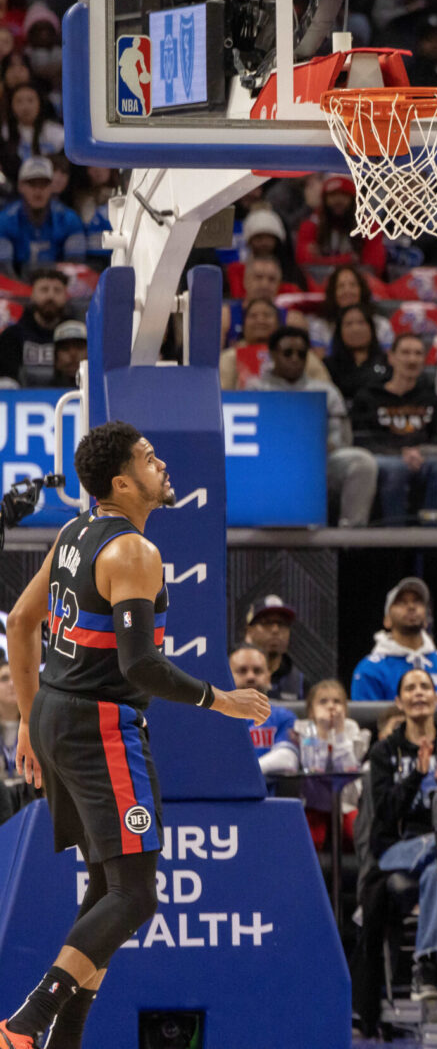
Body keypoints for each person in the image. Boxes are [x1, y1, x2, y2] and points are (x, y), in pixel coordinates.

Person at [0, 422, 269, 1049]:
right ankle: (23, 1025)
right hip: (100, 723)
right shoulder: (133, 552)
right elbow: (140, 666)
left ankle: (60, 1042)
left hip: (59, 713)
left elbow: (19, 622)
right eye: (149, 458)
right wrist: (219, 700)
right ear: (122, 483)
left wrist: (30, 724)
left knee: (106, 889)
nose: (162, 464)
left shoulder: (72, 533)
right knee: (136, 896)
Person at [364, 667, 437, 1003]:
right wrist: (418, 775)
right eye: (410, 688)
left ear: (436, 697)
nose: (418, 693)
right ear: (399, 701)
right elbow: (384, 814)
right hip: (397, 847)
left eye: (425, 686)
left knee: (435, 876)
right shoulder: (385, 752)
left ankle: (426, 967)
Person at [259, 324, 378, 528]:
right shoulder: (255, 389)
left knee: (362, 462)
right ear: (272, 354)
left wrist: (328, 445)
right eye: (287, 353)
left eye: (301, 353)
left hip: (321, 461)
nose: (295, 358)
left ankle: (349, 538)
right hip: (268, 464)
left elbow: (341, 438)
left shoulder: (325, 391)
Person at [350, 334, 437, 525]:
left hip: (422, 456)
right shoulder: (369, 396)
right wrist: (399, 452)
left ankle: (434, 538)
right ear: (391, 357)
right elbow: (361, 439)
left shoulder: (432, 400)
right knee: (396, 469)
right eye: (405, 353)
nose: (412, 359)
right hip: (383, 456)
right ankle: (395, 537)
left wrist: (420, 451)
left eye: (418, 354)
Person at [350, 577, 437, 704]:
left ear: (426, 619)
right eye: (401, 602)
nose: (411, 606)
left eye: (417, 602)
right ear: (387, 620)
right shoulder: (370, 670)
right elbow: (366, 721)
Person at [295, 678, 368, 850]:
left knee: (355, 836)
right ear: (311, 710)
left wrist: (340, 733)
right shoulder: (304, 728)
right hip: (315, 802)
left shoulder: (351, 728)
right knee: (311, 841)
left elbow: (348, 769)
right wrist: (321, 732)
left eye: (337, 701)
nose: (331, 706)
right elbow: (313, 768)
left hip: (345, 802)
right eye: (323, 702)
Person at [0, 156, 85, 272]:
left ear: (52, 186)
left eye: (44, 184)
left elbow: (75, 266)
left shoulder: (69, 219)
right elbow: (3, 269)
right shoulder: (5, 220)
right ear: (20, 186)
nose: (38, 191)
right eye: (32, 184)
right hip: (16, 285)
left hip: (58, 285)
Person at [233, 645, 298, 779]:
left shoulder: (283, 717)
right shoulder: (211, 717)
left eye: (257, 671)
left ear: (268, 677)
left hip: (267, 797)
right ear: (227, 675)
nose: (250, 676)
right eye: (242, 671)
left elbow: (288, 759)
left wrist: (244, 773)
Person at [0, 265, 68, 386]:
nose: (50, 296)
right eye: (44, 290)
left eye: (57, 290)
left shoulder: (79, 339)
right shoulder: (11, 336)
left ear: (66, 297)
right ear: (32, 295)